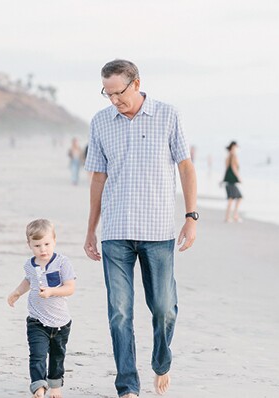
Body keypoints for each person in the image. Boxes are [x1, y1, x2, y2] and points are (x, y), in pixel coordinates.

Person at [83, 59, 197, 398]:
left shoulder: (167, 114)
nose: (114, 100)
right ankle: (127, 386)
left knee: (163, 308)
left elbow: (186, 167)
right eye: (108, 93)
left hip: (158, 230)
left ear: (136, 84)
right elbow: (98, 178)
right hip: (116, 230)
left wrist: (191, 217)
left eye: (119, 92)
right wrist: (91, 230)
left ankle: (162, 362)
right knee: (119, 312)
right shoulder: (101, 122)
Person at [8, 219, 76, 398]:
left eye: (47, 244)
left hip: (61, 323)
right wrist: (16, 292)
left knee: (57, 357)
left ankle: (55, 387)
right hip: (36, 321)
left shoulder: (62, 262)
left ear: (54, 240)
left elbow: (70, 288)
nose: (43, 249)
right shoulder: (30, 265)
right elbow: (28, 281)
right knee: (37, 355)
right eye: (37, 245)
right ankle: (38, 386)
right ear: (29, 244)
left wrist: (53, 291)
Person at [223, 141, 242, 222]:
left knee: (233, 198)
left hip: (228, 181)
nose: (236, 149)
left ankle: (231, 216)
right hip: (232, 181)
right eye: (235, 148)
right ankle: (233, 216)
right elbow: (234, 168)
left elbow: (227, 169)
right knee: (236, 198)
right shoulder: (234, 156)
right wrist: (239, 178)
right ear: (232, 148)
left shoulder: (228, 157)